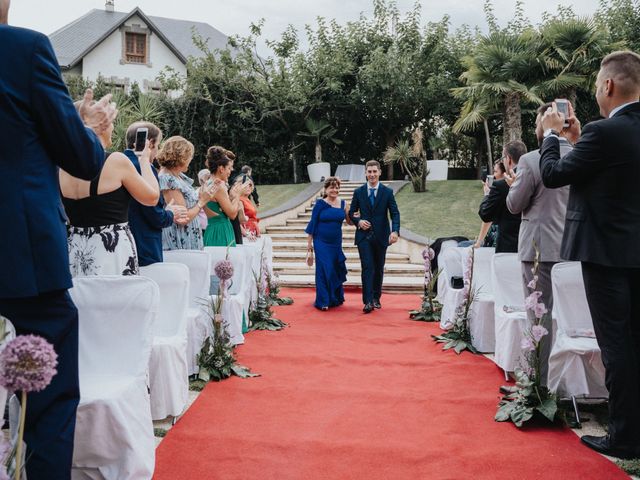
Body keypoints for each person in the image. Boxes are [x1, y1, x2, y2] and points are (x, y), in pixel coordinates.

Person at [0, 0, 117, 476]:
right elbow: (81, 158)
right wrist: (85, 127)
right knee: (48, 390)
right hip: (20, 250)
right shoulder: (24, 48)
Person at [539, 51, 640, 459]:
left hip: (605, 255)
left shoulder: (605, 132)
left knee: (616, 346)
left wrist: (550, 136)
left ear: (608, 86)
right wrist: (578, 141)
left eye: (598, 84)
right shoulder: (608, 135)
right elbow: (612, 172)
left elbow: (553, 175)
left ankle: (625, 437)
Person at [506, 102, 573, 386]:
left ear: (545, 123)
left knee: (539, 319)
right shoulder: (581, 155)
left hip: (539, 251)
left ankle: (537, 385)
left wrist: (512, 188)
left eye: (537, 121)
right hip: (573, 249)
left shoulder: (531, 160)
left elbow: (513, 204)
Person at [60, 109, 160, 277]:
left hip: (75, 249)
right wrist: (144, 160)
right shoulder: (116, 161)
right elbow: (151, 198)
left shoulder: (62, 168)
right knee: (114, 300)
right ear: (102, 126)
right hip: (111, 250)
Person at [124, 121, 187, 266]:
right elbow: (154, 213)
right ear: (150, 143)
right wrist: (170, 213)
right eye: (157, 145)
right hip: (144, 245)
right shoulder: (144, 166)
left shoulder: (120, 162)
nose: (157, 151)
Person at [348, 160, 400, 313]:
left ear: (379, 172)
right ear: (365, 173)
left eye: (374, 171)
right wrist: (358, 221)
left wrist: (395, 231)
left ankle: (376, 297)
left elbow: (395, 213)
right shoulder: (358, 192)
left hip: (382, 236)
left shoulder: (387, 192)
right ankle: (368, 301)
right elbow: (351, 212)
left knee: (378, 268)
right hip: (364, 237)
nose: (371, 174)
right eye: (369, 172)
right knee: (367, 267)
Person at [157, 136, 219, 251]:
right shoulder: (167, 179)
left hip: (191, 235)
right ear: (181, 157)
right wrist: (202, 202)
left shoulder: (178, 176)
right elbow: (182, 218)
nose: (190, 160)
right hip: (180, 240)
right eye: (189, 156)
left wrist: (204, 193)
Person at [305, 177, 350, 310]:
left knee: (335, 268)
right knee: (324, 269)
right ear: (326, 189)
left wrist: (357, 217)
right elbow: (312, 224)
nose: (334, 190)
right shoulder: (320, 204)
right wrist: (309, 246)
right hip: (321, 242)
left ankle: (335, 298)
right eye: (331, 187)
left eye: (336, 187)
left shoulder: (343, 204)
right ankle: (323, 301)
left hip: (336, 243)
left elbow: (349, 221)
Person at [478, 141, 526, 253]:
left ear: (508, 159)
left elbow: (485, 214)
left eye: (503, 157)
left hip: (508, 248)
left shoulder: (500, 186)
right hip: (529, 246)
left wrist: (487, 194)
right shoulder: (535, 180)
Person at [203, 146, 246, 247]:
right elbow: (232, 214)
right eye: (229, 168)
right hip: (221, 231)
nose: (230, 171)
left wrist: (231, 197)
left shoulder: (208, 182)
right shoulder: (219, 186)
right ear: (221, 169)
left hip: (212, 229)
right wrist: (238, 195)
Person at [473, 160, 506, 248]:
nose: (493, 176)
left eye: (495, 171)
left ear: (504, 173)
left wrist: (487, 194)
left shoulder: (498, 191)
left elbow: (487, 217)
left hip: (496, 241)